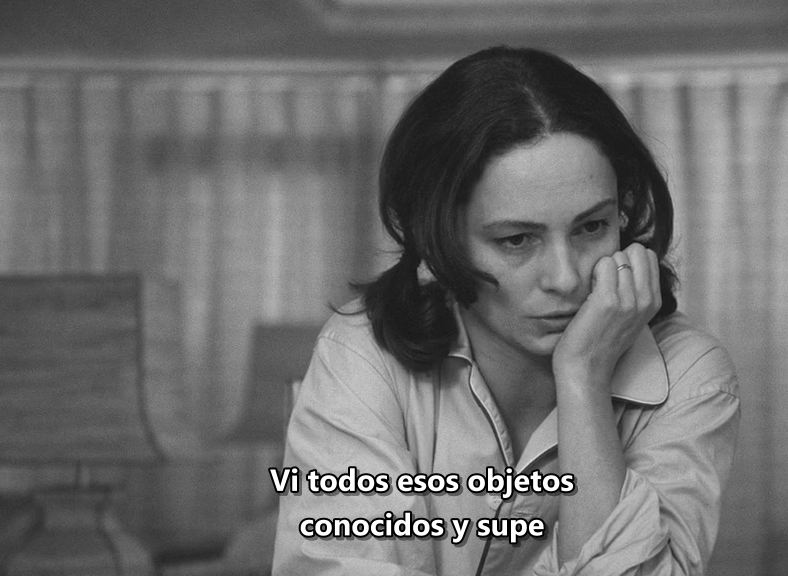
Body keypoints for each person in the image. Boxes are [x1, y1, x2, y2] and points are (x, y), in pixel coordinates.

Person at [272, 46, 739, 576]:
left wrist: (583, 378)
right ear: (438, 240)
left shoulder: (690, 375)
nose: (566, 278)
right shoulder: (362, 352)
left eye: (592, 227)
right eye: (517, 239)